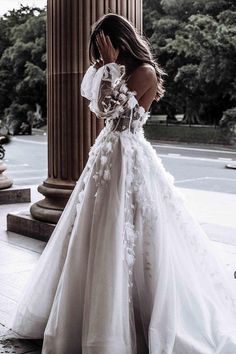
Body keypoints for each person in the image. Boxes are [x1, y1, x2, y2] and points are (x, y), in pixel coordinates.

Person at [11, 13, 236, 354]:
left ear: (120, 42)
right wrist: (109, 69)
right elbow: (101, 110)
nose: (101, 54)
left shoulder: (143, 72)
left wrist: (111, 69)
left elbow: (109, 109)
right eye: (98, 48)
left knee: (130, 226)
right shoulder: (117, 71)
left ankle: (133, 319)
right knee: (94, 227)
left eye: (105, 46)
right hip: (106, 152)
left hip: (127, 153)